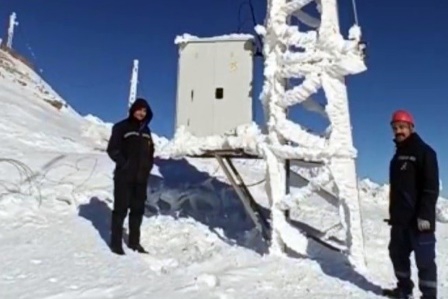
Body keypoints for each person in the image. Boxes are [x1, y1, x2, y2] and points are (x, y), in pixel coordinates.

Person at [384, 110, 439, 299]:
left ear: (411, 128)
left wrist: (424, 215)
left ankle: (429, 296)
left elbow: (430, 188)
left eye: (402, 127)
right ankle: (404, 289)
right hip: (400, 220)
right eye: (395, 128)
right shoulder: (398, 155)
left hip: (419, 220)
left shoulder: (425, 152)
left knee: (424, 260)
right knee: (397, 255)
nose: (398, 131)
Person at [106, 97, 155, 255]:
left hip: (141, 179)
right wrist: (124, 164)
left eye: (144, 110)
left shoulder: (147, 132)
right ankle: (116, 244)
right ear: (133, 109)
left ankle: (134, 243)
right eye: (139, 109)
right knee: (120, 211)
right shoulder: (121, 127)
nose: (141, 113)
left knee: (137, 211)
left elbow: (150, 152)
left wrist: (148, 167)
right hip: (124, 178)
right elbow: (113, 149)